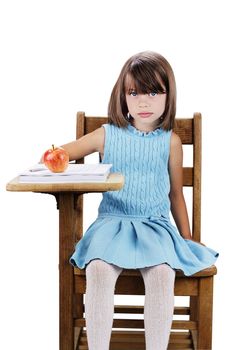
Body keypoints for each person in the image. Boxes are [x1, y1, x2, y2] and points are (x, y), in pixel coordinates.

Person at [61, 51, 218, 350]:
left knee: (161, 273)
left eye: (154, 91)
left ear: (168, 96)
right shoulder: (106, 135)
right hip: (112, 226)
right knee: (98, 270)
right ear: (122, 96)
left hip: (155, 227)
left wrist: (186, 237)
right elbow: (67, 153)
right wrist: (53, 156)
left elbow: (175, 194)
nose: (143, 101)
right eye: (134, 92)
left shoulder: (170, 142)